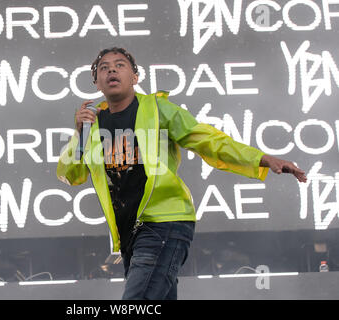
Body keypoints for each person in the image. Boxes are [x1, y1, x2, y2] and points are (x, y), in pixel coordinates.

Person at [57, 47, 307, 300]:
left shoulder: (158, 109)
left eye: (120, 65)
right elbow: (71, 174)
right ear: (97, 82)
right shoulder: (93, 123)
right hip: (129, 232)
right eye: (104, 67)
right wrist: (79, 133)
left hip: (164, 222)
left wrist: (262, 159)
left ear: (135, 77)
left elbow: (208, 141)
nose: (111, 69)